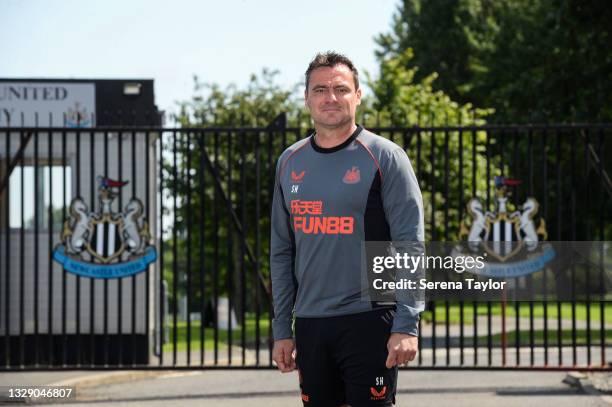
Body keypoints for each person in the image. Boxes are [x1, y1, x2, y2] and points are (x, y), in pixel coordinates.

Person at [270, 51, 425, 407]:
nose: (331, 98)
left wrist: (406, 323)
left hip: (369, 320)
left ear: (358, 95)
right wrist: (283, 330)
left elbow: (410, 246)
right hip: (311, 323)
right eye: (320, 89)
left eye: (341, 89)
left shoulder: (385, 157)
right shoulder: (289, 162)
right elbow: (281, 251)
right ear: (307, 98)